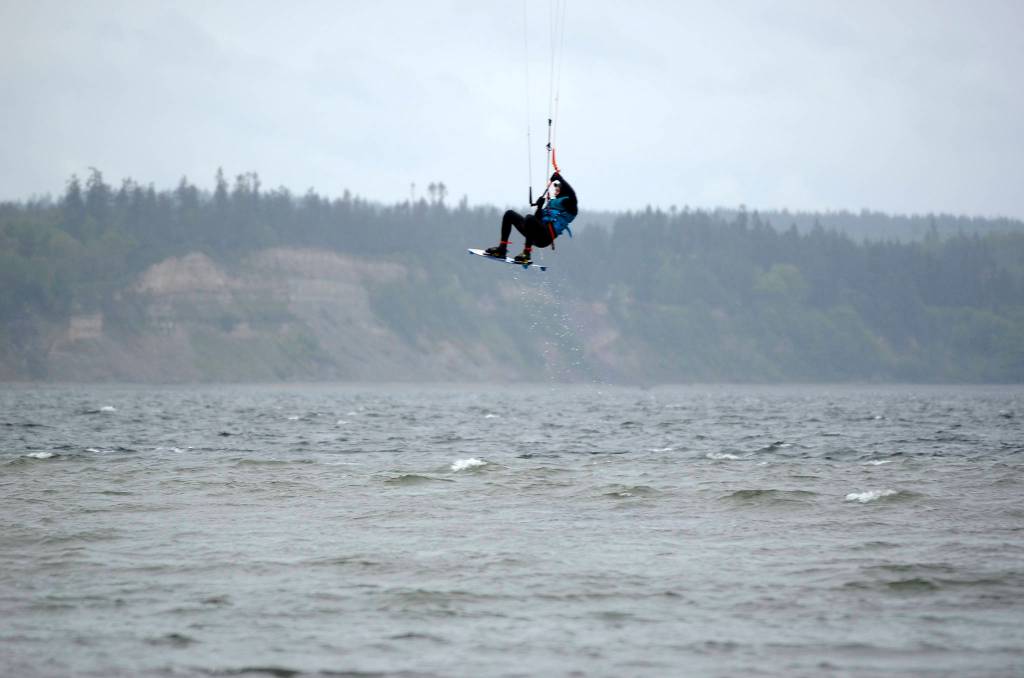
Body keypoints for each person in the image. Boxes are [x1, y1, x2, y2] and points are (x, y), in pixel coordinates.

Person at [485, 171, 578, 265]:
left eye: (557, 190)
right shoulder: (552, 203)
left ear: (563, 192)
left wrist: (560, 178)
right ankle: (502, 249)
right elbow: (537, 219)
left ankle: (526, 254)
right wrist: (539, 207)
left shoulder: (570, 206)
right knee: (509, 214)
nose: (555, 192)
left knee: (529, 218)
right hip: (535, 233)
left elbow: (573, 196)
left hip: (545, 238)